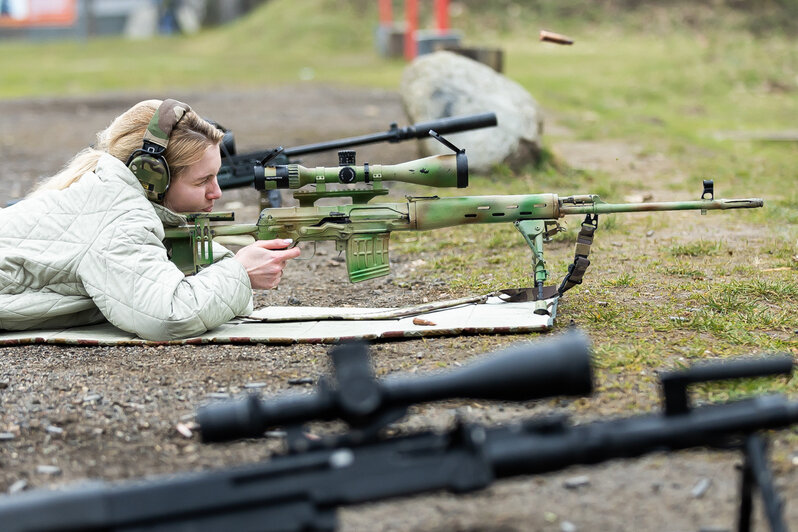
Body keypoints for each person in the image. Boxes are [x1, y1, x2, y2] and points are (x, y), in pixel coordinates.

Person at [0, 98, 300, 341]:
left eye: (216, 177)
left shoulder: (111, 193)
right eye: (202, 181)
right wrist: (241, 274)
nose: (217, 192)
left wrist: (233, 273)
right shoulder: (120, 218)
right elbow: (169, 317)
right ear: (153, 177)